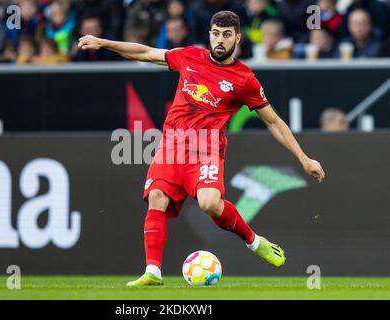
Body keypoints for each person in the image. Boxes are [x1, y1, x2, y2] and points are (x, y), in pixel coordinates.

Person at [78, 10, 325, 286]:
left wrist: (303, 158)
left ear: (237, 38)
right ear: (209, 34)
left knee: (210, 203)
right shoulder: (190, 56)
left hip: (206, 149)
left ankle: (256, 243)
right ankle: (153, 272)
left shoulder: (245, 79)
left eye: (227, 35)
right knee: (157, 197)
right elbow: (145, 53)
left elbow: (274, 122)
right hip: (172, 146)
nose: (220, 40)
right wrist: (103, 42)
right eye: (216, 33)